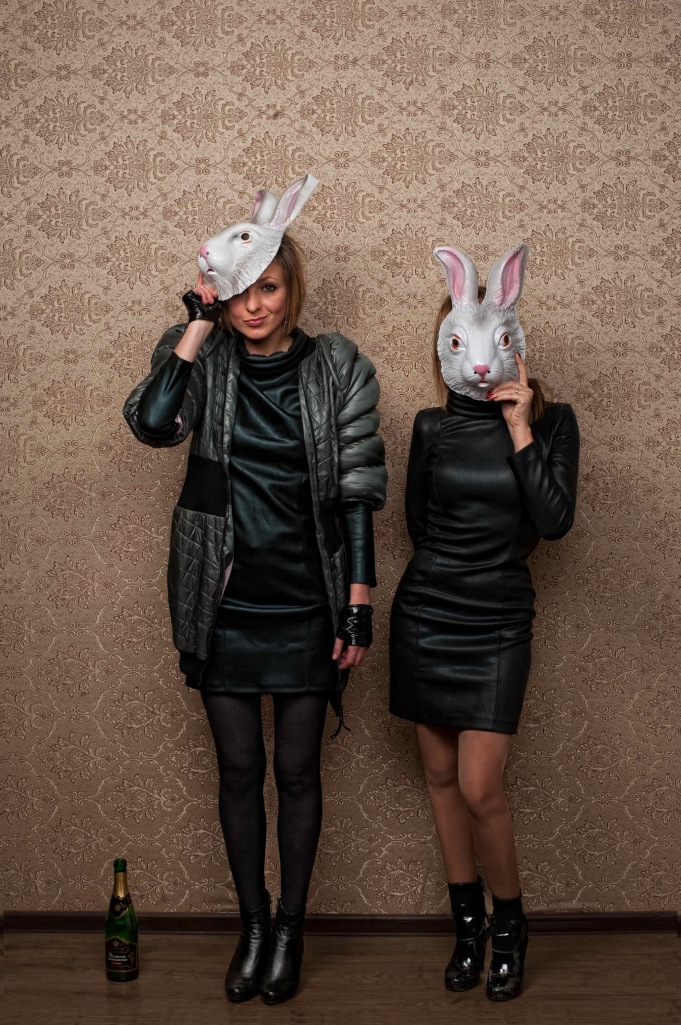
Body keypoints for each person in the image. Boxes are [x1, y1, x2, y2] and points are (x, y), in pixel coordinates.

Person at [123, 183, 386, 1005]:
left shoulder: (338, 365)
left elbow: (356, 490)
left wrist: (357, 602)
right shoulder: (198, 353)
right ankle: (253, 923)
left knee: (297, 772)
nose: (253, 305)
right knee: (239, 770)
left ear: (290, 286)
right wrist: (196, 324)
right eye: (238, 291)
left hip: (306, 599)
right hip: (223, 601)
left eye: (266, 287)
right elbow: (152, 424)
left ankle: (291, 929)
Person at [390, 244, 579, 1002]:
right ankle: (466, 929)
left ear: (510, 341)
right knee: (439, 779)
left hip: (498, 617)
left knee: (478, 786)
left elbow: (553, 521)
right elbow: (417, 523)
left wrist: (521, 426)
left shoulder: (555, 423)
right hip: (427, 610)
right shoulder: (429, 428)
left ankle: (509, 929)